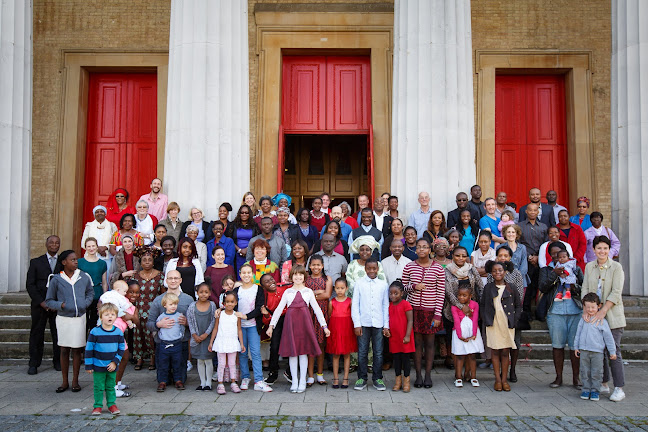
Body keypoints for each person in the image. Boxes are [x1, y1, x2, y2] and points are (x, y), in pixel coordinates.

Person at [268, 265, 329, 393]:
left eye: (300, 275)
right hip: (291, 325)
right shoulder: (287, 292)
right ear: (291, 277)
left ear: (304, 277)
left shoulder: (308, 292)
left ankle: (302, 381)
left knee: (303, 352)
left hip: (304, 325)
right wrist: (271, 326)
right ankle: (294, 380)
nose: (298, 277)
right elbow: (279, 310)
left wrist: (324, 326)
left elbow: (317, 310)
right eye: (295, 275)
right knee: (293, 353)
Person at [581, 236, 627, 402]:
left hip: (612, 315)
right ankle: (603, 383)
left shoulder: (616, 267)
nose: (602, 251)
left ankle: (619, 388)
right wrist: (586, 309)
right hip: (594, 315)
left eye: (605, 248)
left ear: (610, 250)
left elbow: (616, 292)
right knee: (599, 350)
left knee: (613, 352)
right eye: (599, 248)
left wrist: (603, 311)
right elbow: (585, 288)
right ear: (593, 250)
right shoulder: (589, 267)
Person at [45, 250, 94, 393]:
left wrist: (84, 303)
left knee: (77, 349)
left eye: (76, 259)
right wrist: (61, 305)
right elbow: (49, 300)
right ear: (64, 262)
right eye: (72, 260)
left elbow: (90, 292)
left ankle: (75, 381)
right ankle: (64, 381)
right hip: (63, 319)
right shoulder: (56, 279)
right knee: (64, 349)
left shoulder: (83, 277)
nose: (75, 262)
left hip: (79, 318)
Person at [538, 242, 583, 389]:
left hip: (575, 310)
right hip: (555, 311)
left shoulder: (575, 267)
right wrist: (554, 274)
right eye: (556, 255)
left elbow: (584, 286)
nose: (560, 258)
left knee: (574, 346)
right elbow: (543, 286)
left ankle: (576, 378)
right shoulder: (546, 270)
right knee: (557, 345)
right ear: (551, 255)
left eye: (562, 255)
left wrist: (574, 286)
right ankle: (558, 377)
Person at [402, 238, 445, 388]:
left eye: (424, 247)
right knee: (417, 343)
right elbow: (402, 288)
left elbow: (441, 293)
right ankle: (418, 375)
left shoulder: (438, 268)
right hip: (414, 312)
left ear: (430, 250)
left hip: (431, 311)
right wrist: (414, 286)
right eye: (419, 247)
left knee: (430, 343)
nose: (421, 249)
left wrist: (438, 314)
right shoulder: (409, 267)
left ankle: (428, 375)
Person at [146, 270, 193, 388]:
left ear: (181, 280)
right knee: (163, 377)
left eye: (176, 278)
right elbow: (149, 323)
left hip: (180, 343)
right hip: (163, 343)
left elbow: (195, 324)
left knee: (181, 378)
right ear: (166, 281)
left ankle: (178, 378)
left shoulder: (188, 300)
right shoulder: (158, 300)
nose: (173, 281)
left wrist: (187, 323)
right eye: (170, 278)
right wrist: (158, 325)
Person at [229, 263, 273, 392]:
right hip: (240, 327)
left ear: (252, 275)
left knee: (255, 353)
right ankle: (245, 378)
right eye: (244, 273)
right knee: (242, 352)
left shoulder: (258, 289)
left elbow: (259, 307)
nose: (246, 275)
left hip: (253, 325)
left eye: (249, 273)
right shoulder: (237, 291)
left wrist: (246, 316)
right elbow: (232, 306)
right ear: (240, 274)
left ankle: (258, 380)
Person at [480, 261, 522, 392]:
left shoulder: (511, 287)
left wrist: (515, 320)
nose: (497, 273)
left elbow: (518, 305)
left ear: (505, 271)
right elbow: (483, 304)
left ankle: (504, 380)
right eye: (494, 271)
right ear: (491, 273)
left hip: (507, 323)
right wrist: (485, 318)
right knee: (495, 351)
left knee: (505, 351)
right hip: (493, 323)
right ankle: (497, 380)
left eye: (500, 270)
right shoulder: (488, 287)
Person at [488, 245, 525, 382]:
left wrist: (515, 315)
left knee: (514, 343)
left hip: (511, 314)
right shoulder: (493, 273)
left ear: (510, 258)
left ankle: (512, 370)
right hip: (496, 314)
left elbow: (519, 296)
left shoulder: (516, 273)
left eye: (506, 256)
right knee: (498, 346)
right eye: (500, 255)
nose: (503, 258)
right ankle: (500, 376)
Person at [351, 258, 390, 391]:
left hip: (379, 323)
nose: (372, 271)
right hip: (363, 322)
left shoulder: (383, 284)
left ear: (378, 269)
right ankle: (361, 378)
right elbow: (355, 305)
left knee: (378, 352)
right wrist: (357, 324)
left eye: (374, 268)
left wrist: (386, 325)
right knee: (362, 351)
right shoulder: (359, 283)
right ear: (365, 269)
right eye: (369, 268)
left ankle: (377, 378)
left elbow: (386, 305)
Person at [26, 235, 61, 375]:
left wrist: (56, 303)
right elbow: (30, 284)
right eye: (51, 242)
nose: (54, 245)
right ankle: (34, 363)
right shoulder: (36, 262)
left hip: (57, 305)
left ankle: (58, 361)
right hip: (39, 305)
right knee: (37, 334)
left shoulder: (63, 263)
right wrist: (42, 302)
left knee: (57, 334)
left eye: (57, 243)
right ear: (46, 244)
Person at [574, 293, 618, 402]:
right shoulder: (583, 319)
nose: (590, 309)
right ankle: (586, 389)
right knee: (585, 371)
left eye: (593, 307)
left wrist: (612, 351)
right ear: (584, 307)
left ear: (599, 306)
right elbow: (578, 334)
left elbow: (608, 338)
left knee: (596, 372)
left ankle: (595, 390)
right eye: (587, 307)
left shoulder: (602, 322)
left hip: (597, 352)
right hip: (584, 350)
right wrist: (576, 347)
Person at [85, 303, 126, 416]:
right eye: (107, 314)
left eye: (113, 314)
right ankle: (97, 405)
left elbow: (121, 348)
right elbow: (89, 349)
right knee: (98, 387)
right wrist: (89, 365)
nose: (110, 317)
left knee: (110, 386)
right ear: (101, 316)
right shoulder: (95, 332)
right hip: (98, 365)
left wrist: (115, 361)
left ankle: (111, 404)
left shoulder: (118, 332)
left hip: (112, 366)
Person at [131, 247, 164, 371]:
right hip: (138, 309)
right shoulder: (135, 276)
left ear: (153, 262)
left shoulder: (160, 275)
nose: (147, 262)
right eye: (144, 260)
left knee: (152, 335)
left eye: (149, 260)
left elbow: (162, 294)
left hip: (153, 310)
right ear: (140, 262)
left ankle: (153, 358)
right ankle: (139, 358)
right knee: (138, 334)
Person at [209, 292, 245, 394]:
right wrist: (211, 342)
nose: (229, 304)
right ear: (224, 303)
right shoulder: (220, 314)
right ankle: (220, 384)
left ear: (235, 303)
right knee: (221, 364)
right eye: (227, 302)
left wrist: (241, 343)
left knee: (232, 363)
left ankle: (233, 383)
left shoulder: (236, 315)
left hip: (232, 342)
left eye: (232, 302)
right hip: (221, 341)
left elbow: (239, 330)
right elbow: (215, 328)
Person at [518, 202, 548, 325]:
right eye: (530, 210)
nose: (532, 212)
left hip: (540, 261)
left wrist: (537, 257)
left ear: (538, 212)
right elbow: (519, 244)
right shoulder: (519, 226)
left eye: (535, 210)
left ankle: (540, 312)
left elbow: (545, 244)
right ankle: (527, 312)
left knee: (539, 286)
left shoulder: (543, 227)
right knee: (528, 288)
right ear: (526, 211)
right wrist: (530, 256)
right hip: (526, 261)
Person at [306, 255, 332, 386]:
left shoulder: (327, 279)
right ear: (309, 266)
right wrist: (318, 292)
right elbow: (305, 296)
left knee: (321, 345)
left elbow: (327, 295)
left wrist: (312, 294)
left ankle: (320, 374)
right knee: (310, 344)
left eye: (318, 265)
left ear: (322, 266)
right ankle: (310, 376)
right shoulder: (306, 279)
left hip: (322, 314)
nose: (316, 267)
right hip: (308, 314)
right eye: (313, 265)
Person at [259, 274, 289, 385]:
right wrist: (266, 315)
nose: (270, 282)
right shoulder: (265, 298)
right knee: (275, 346)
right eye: (267, 282)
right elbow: (266, 321)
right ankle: (273, 373)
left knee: (291, 344)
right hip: (276, 321)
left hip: (289, 317)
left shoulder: (285, 287)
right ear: (263, 286)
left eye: (271, 279)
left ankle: (290, 371)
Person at [451, 284, 483, 388]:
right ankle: (458, 377)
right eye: (459, 295)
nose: (461, 297)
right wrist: (460, 336)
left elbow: (475, 319)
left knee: (472, 356)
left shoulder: (475, 305)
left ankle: (473, 377)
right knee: (460, 356)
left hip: (472, 333)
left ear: (470, 296)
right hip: (459, 333)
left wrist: (474, 334)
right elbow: (456, 321)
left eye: (464, 295)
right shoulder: (454, 306)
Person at [327, 278, 357, 389]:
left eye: (342, 288)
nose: (340, 290)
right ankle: (335, 378)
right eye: (337, 288)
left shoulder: (350, 301)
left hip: (347, 329)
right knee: (335, 354)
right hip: (335, 329)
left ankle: (345, 378)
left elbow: (353, 316)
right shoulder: (332, 302)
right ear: (334, 288)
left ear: (346, 288)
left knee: (347, 354)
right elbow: (330, 315)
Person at [187, 282, 217, 391]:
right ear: (197, 293)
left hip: (208, 337)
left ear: (209, 293)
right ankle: (202, 382)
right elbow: (190, 321)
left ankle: (209, 382)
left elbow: (214, 321)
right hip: (197, 337)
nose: (203, 294)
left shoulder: (212, 305)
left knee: (208, 360)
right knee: (200, 360)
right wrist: (194, 334)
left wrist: (206, 334)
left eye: (206, 292)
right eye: (201, 292)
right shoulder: (192, 306)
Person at [155, 292, 186, 391]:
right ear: (165, 305)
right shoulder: (161, 317)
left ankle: (178, 380)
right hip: (164, 344)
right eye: (171, 304)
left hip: (176, 343)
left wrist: (181, 336)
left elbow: (182, 327)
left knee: (177, 363)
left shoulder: (179, 315)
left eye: (175, 304)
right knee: (163, 363)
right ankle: (162, 381)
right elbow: (157, 326)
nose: (173, 306)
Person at [388, 280, 415, 392]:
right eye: (391, 293)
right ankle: (398, 381)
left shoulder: (406, 305)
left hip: (404, 337)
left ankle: (406, 382)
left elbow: (410, 321)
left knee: (405, 360)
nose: (393, 295)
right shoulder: (389, 306)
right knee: (396, 360)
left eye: (396, 293)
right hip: (394, 337)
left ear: (402, 293)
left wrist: (407, 335)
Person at [78, 237, 108, 332]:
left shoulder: (102, 263)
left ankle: (93, 343)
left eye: (93, 246)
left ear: (97, 247)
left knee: (94, 321)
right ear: (85, 248)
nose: (91, 248)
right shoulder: (79, 262)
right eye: (89, 246)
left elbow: (104, 282)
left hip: (97, 293)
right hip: (83, 294)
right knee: (83, 321)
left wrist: (104, 297)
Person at [225, 205, 261, 276]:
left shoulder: (254, 225)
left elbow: (258, 239)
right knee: (238, 273)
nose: (244, 214)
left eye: (246, 213)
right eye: (242, 213)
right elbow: (229, 239)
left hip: (251, 253)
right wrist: (239, 250)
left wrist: (248, 249)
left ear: (249, 214)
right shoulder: (233, 225)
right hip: (236, 253)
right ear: (239, 214)